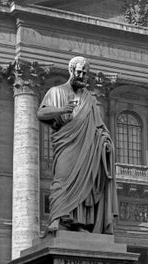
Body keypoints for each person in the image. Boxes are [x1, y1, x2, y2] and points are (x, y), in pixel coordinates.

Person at [37, 56, 118, 235]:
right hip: (66, 145)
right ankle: (58, 219)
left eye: (85, 73)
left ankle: (78, 223)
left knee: (86, 186)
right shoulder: (55, 92)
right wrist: (62, 110)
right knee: (62, 180)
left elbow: (99, 126)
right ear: (71, 70)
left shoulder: (89, 100)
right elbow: (41, 113)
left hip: (87, 149)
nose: (82, 76)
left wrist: (105, 142)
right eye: (79, 72)